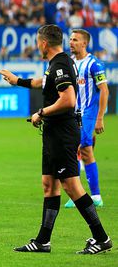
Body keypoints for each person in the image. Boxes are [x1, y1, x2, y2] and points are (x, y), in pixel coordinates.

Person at [0, 24, 112, 254]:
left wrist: (41, 113)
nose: (36, 46)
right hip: (53, 134)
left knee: (72, 186)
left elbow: (68, 99)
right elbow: (44, 81)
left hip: (62, 134)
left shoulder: (60, 64)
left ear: (43, 43)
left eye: (37, 42)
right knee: (49, 185)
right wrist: (17, 80)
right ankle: (43, 241)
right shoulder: (58, 63)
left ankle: (101, 238)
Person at [64, 29, 109, 209]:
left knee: (82, 148)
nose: (71, 42)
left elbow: (104, 90)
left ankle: (91, 195)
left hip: (88, 113)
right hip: (72, 114)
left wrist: (100, 119)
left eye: (75, 40)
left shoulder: (94, 64)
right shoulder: (70, 63)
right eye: (71, 39)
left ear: (84, 43)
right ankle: (84, 194)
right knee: (81, 151)